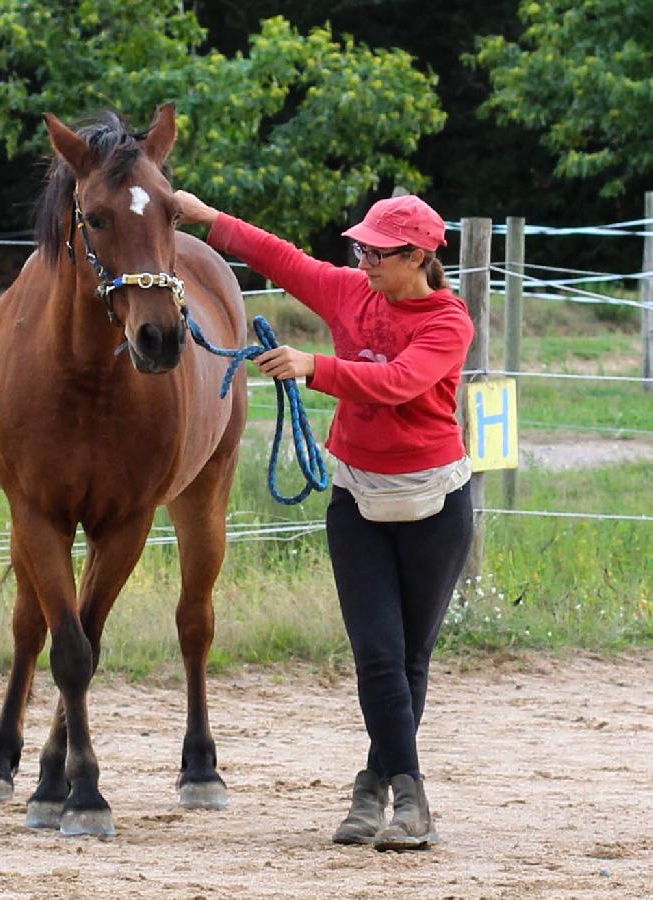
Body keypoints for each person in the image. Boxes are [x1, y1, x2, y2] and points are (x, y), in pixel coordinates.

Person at [174, 189, 475, 851]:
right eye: (360, 247)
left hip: (433, 505)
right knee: (377, 655)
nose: (361, 257)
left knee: (408, 660)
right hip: (357, 496)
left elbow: (399, 381)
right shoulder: (349, 292)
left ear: (419, 257)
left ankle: (375, 788)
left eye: (376, 250)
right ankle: (408, 797)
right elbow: (279, 259)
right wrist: (207, 218)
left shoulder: (449, 321)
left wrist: (316, 366)